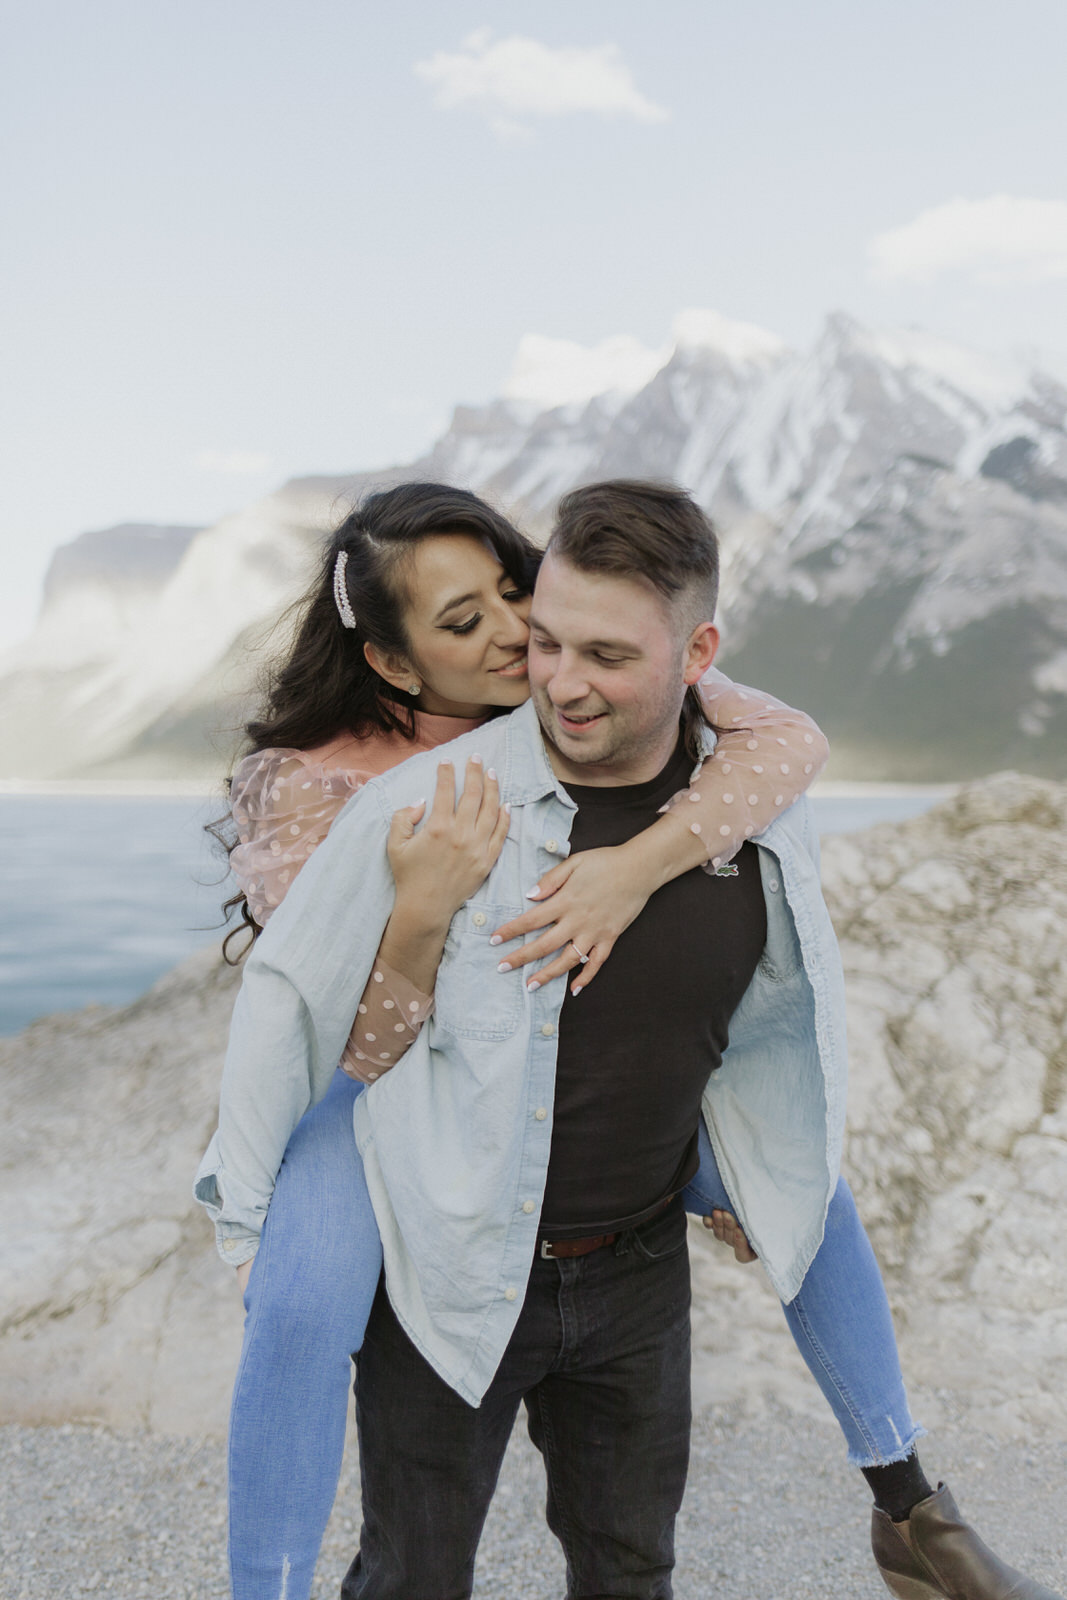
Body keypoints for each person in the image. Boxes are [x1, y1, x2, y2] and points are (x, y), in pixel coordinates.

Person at [198, 480, 1061, 1600]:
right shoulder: (331, 785)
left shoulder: (585, 683)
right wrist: (420, 906)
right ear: (397, 665)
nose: (519, 639)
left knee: (791, 1174)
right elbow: (352, 1042)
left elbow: (786, 739)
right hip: (378, 1091)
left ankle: (909, 1503)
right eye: (469, 624)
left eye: (516, 593)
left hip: (569, 1103)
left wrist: (634, 865)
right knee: (305, 1300)